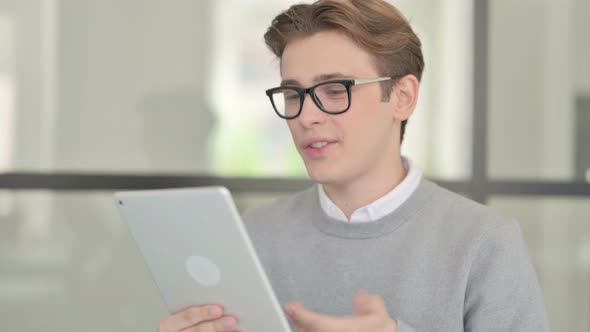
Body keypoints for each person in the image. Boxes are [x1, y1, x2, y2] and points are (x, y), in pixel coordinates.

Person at [158, 0, 550, 331]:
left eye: (334, 90)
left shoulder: (483, 242)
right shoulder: (252, 236)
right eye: (293, 94)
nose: (306, 116)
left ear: (402, 97)